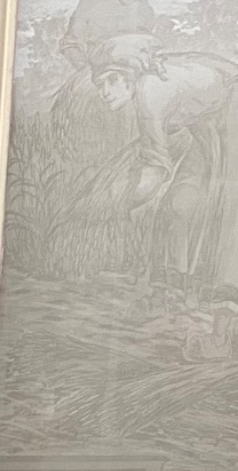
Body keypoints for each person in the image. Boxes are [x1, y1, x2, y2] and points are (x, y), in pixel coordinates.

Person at [88, 33, 238, 357]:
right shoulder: (149, 90)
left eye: (112, 80)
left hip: (234, 110)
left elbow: (155, 170)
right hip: (210, 128)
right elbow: (158, 162)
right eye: (99, 84)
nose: (105, 92)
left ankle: (223, 336)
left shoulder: (149, 93)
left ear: (130, 77)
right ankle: (164, 294)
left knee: (230, 221)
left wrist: (117, 204)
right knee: (177, 205)